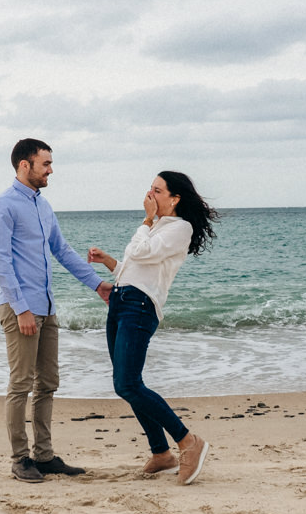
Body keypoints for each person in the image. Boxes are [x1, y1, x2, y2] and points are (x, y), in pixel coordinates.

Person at [0, 138, 112, 483]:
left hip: (47, 308)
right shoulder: (3, 206)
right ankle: (19, 458)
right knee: (20, 384)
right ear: (24, 165)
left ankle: (43, 456)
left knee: (48, 384)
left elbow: (63, 250)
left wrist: (97, 283)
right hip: (20, 309)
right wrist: (21, 308)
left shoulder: (43, 207)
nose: (51, 170)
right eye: (45, 164)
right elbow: (1, 260)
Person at [86, 171, 218, 485]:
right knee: (128, 382)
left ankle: (188, 442)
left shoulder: (179, 228)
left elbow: (141, 253)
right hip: (122, 300)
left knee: (127, 384)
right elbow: (136, 268)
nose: (150, 195)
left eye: (158, 191)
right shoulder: (159, 227)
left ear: (175, 199)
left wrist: (145, 221)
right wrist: (110, 263)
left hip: (139, 307)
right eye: (150, 189)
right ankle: (161, 453)